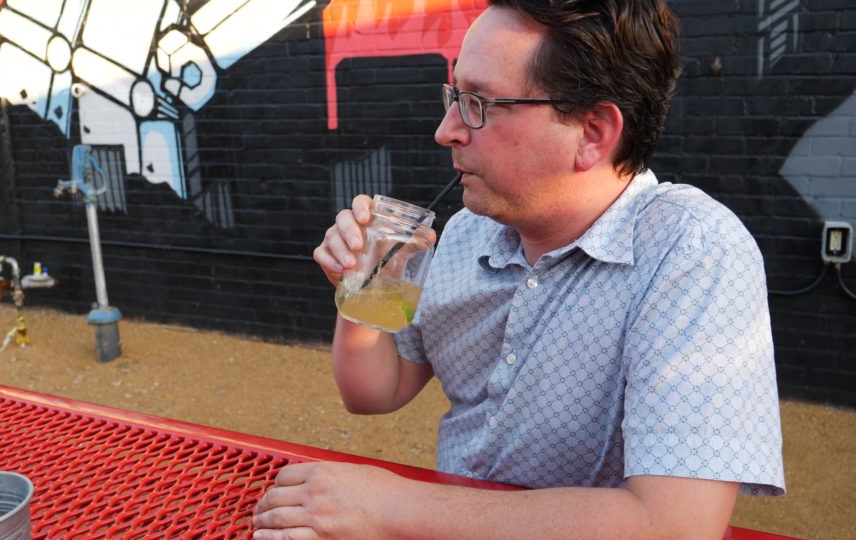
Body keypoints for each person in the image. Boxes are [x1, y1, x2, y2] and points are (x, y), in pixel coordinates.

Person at [253, 0, 785, 537]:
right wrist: (360, 285)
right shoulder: (465, 232)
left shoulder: (692, 253)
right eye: (455, 96)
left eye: (480, 103)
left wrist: (389, 507)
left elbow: (675, 528)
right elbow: (374, 392)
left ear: (593, 132)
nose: (446, 130)